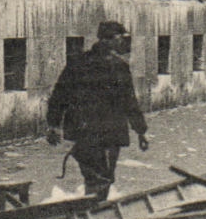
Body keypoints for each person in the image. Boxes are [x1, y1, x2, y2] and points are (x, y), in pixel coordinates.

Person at [46, 20, 148, 200]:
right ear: (108, 40)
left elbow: (59, 95)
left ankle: (93, 207)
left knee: (94, 177)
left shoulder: (79, 62)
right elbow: (129, 102)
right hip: (108, 132)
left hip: (85, 130)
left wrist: (53, 124)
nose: (122, 42)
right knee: (103, 178)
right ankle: (96, 209)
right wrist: (140, 131)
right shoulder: (117, 66)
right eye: (120, 38)